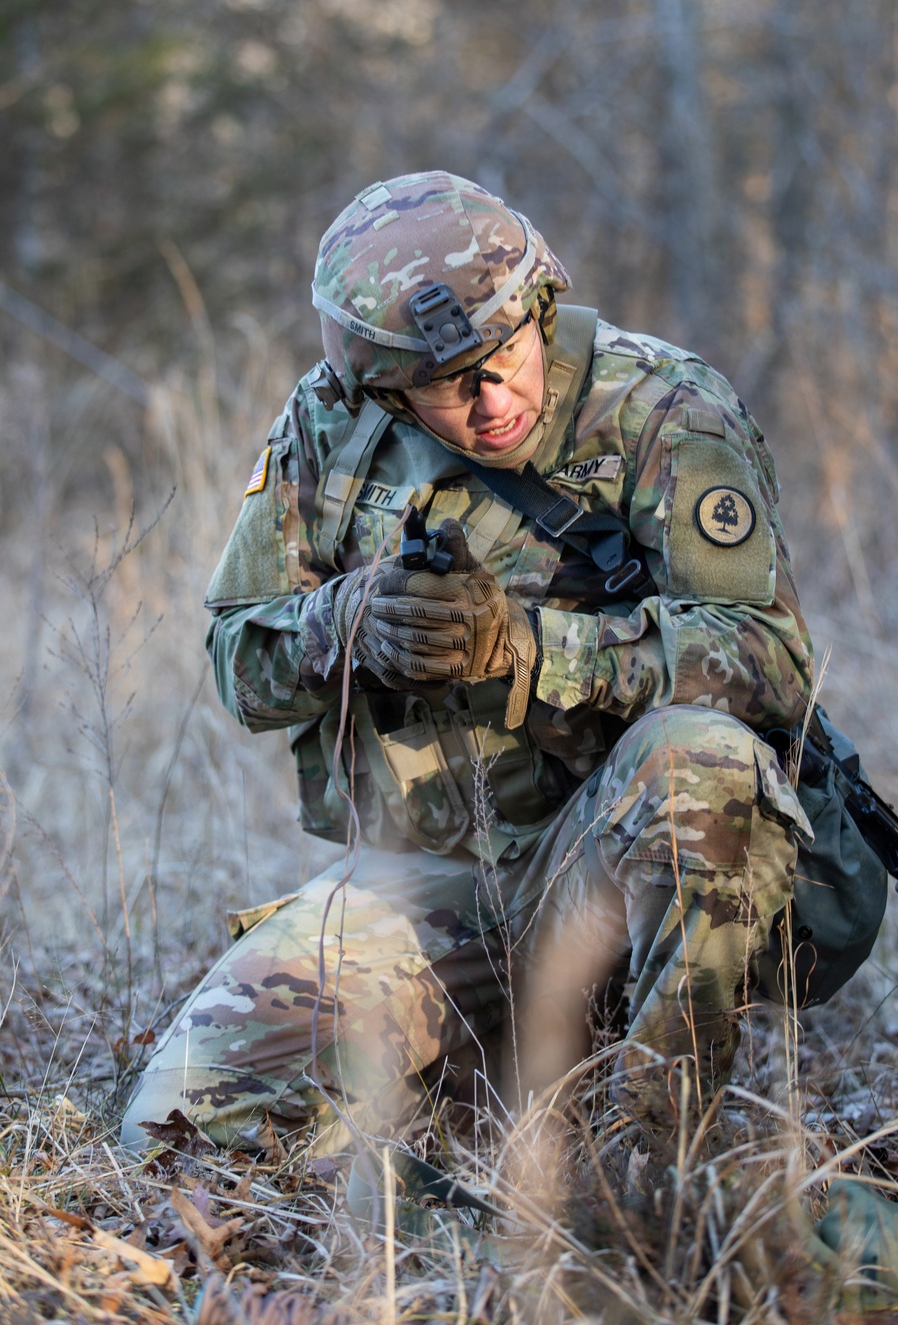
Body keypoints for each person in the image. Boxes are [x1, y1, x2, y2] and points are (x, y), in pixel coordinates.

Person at [122, 170, 823, 1155]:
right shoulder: (329, 427)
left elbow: (774, 660)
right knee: (177, 1132)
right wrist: (345, 625)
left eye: (504, 357)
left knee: (703, 763)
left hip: (607, 878)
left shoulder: (662, 409)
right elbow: (239, 666)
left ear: (541, 308)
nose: (489, 399)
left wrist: (532, 652)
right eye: (444, 386)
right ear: (382, 386)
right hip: (427, 887)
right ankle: (451, 1186)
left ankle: (663, 1165)